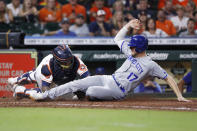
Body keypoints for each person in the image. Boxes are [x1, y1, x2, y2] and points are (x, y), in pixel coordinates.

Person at [27, 19, 189, 102]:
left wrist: (179, 96)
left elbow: (168, 78)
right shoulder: (130, 52)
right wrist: (127, 25)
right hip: (108, 78)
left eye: (133, 47)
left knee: (89, 92)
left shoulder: (150, 64)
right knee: (75, 84)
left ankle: (89, 97)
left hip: (118, 92)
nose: (130, 48)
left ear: (139, 49)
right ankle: (45, 95)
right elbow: (117, 38)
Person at [8, 45, 89, 100]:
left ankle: (15, 80)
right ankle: (21, 91)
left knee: (73, 98)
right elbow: (45, 91)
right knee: (47, 97)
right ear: (57, 62)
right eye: (65, 62)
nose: (68, 63)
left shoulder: (77, 61)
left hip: (59, 80)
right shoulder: (47, 67)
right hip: (48, 75)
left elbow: (88, 78)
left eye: (69, 60)